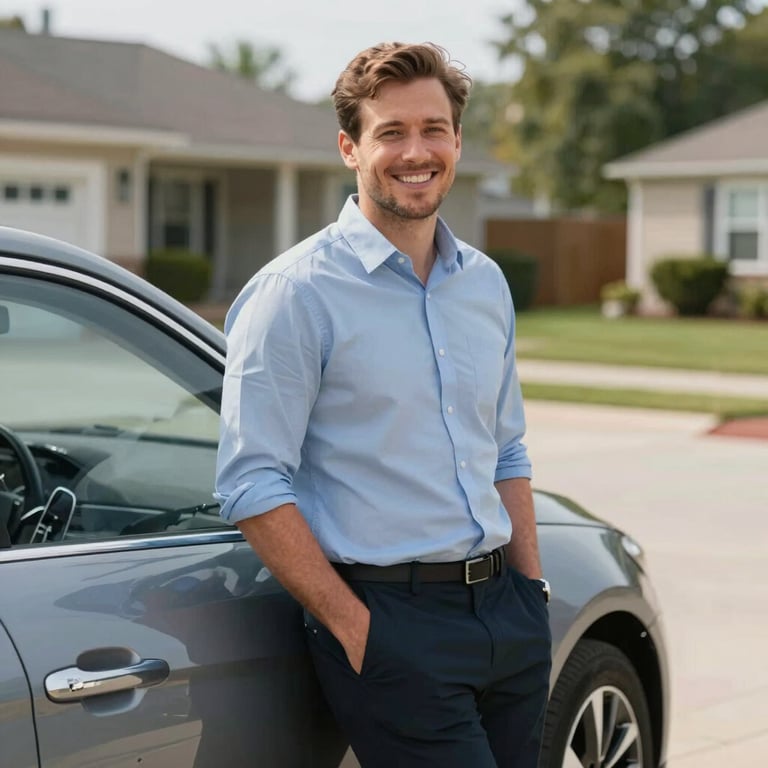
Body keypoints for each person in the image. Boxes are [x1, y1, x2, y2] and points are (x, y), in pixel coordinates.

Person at [215, 41, 552, 768]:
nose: (416, 151)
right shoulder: (295, 294)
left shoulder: (484, 283)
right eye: (390, 132)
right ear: (350, 148)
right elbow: (250, 482)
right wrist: (356, 627)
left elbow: (508, 448)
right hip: (391, 626)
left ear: (457, 140)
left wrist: (531, 591)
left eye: (433, 128)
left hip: (506, 615)